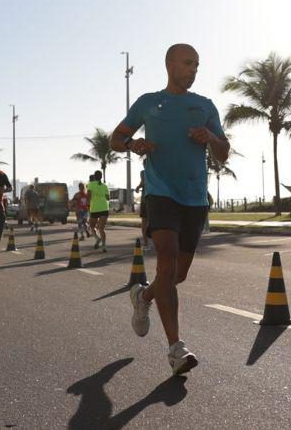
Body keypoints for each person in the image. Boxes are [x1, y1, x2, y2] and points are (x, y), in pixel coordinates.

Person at [112, 43, 230, 375]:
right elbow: (115, 138)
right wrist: (133, 144)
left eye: (197, 65)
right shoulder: (148, 103)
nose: (194, 70)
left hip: (195, 197)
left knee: (176, 275)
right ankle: (176, 348)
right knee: (167, 259)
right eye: (188, 63)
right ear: (170, 65)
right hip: (160, 192)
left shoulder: (205, 106)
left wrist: (210, 137)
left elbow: (224, 152)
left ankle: (143, 296)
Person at [86, 171, 110, 252]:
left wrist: (88, 204)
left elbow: (88, 196)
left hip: (95, 209)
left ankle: (97, 238)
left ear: (94, 177)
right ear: (101, 177)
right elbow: (108, 198)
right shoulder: (105, 186)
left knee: (91, 226)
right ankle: (104, 246)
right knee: (101, 229)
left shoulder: (90, 184)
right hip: (104, 208)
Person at [135, 166, 152, 251]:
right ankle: (155, 242)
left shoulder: (143, 172)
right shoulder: (157, 171)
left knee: (144, 222)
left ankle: (146, 244)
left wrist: (138, 187)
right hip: (155, 199)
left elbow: (143, 182)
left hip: (146, 199)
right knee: (154, 221)